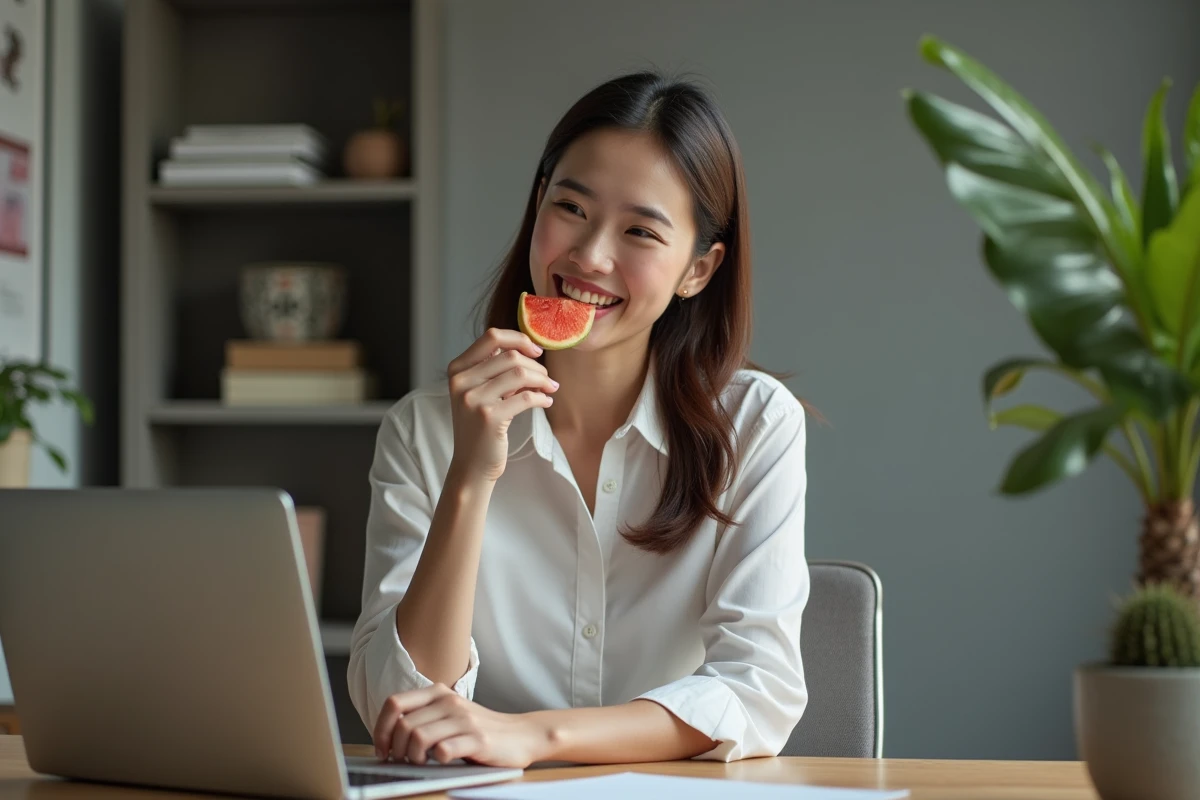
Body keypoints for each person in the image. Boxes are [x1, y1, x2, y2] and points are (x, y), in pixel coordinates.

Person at [347, 71, 809, 768]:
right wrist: (471, 475)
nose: (590, 257)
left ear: (699, 269)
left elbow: (757, 690)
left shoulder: (753, 424)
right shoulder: (424, 430)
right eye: (571, 207)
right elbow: (402, 702)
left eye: (641, 231)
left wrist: (532, 736)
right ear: (538, 206)